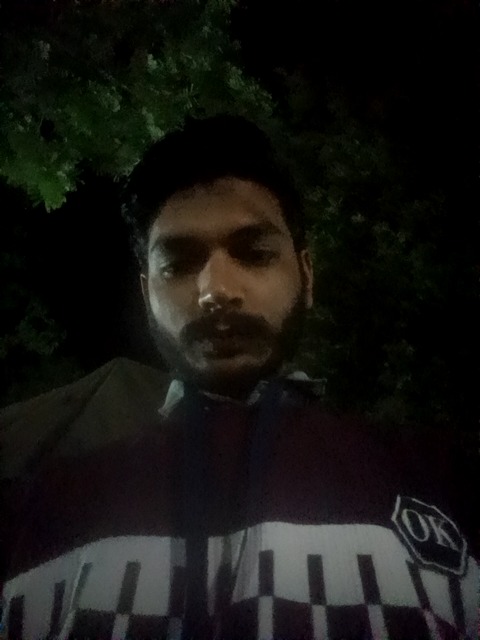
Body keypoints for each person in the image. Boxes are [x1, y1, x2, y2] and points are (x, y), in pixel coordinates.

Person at [0, 115, 478, 640]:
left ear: (307, 276)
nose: (216, 290)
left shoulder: (445, 479)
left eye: (254, 254)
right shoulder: (36, 510)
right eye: (178, 264)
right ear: (145, 293)